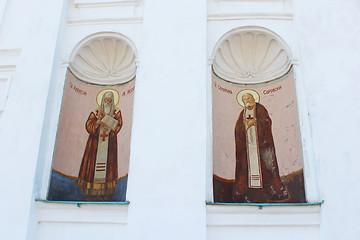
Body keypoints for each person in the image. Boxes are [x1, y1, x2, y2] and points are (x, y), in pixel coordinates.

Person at [233, 91, 289, 202]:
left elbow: (266, 122)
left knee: (267, 167)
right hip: (248, 147)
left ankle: (275, 191)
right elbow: (237, 129)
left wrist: (256, 123)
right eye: (244, 100)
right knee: (245, 168)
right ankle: (243, 193)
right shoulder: (243, 113)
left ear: (254, 98)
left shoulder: (261, 109)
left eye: (248, 98)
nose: (247, 101)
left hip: (262, 146)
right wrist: (245, 126)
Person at [77, 90, 123, 201]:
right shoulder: (96, 112)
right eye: (106, 100)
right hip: (95, 145)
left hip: (109, 145)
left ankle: (105, 194)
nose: (107, 102)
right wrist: (97, 123)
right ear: (102, 100)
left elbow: (118, 125)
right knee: (92, 168)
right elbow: (89, 124)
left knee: (108, 169)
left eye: (110, 100)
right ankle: (91, 194)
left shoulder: (116, 112)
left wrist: (109, 123)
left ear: (113, 101)